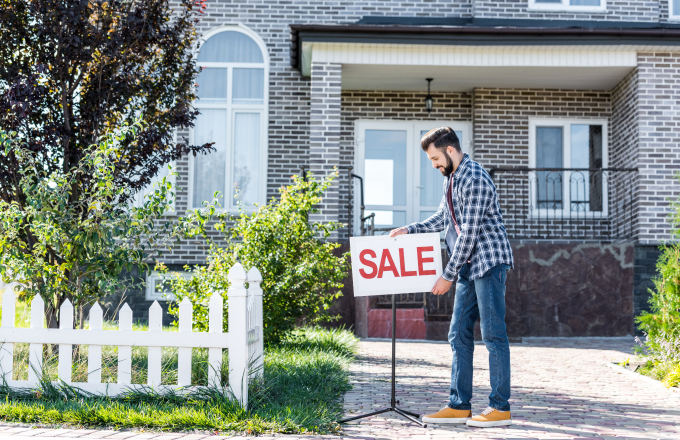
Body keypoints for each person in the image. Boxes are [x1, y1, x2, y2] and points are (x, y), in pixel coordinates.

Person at [389, 127, 514, 428]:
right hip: (469, 266)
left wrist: (447, 275)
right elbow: (442, 219)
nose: (433, 165)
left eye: (434, 158)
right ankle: (459, 406)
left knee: (493, 334)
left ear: (449, 150)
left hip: (488, 261)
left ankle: (500, 408)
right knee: (458, 334)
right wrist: (410, 229)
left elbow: (468, 233)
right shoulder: (453, 179)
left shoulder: (474, 177)